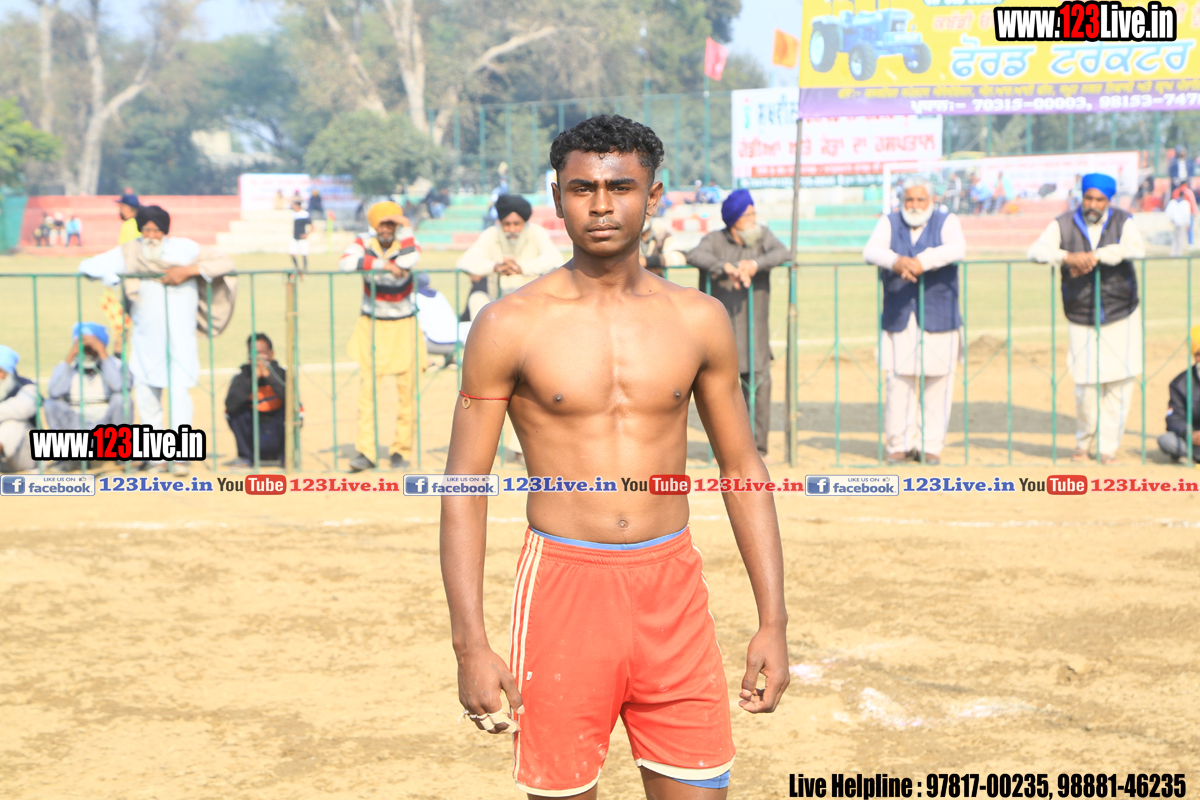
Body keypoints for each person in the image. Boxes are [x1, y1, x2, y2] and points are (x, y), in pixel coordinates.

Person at [441, 114, 788, 800]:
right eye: (582, 189)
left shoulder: (698, 319)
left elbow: (743, 468)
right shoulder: (508, 325)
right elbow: (463, 486)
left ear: (653, 195)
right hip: (563, 591)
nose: (601, 205)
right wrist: (469, 643)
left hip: (673, 589)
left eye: (621, 187)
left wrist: (773, 620)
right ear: (557, 196)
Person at [79, 204, 238, 476]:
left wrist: (188, 271)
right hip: (145, 341)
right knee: (146, 396)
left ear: (165, 231)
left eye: (156, 230)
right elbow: (88, 265)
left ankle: (179, 458)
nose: (151, 236)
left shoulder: (184, 250)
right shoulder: (130, 252)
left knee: (179, 396)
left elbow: (225, 263)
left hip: (181, 340)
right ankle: (157, 458)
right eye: (146, 230)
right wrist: (113, 277)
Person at [1027, 172, 1145, 464]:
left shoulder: (1123, 221)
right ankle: (1083, 444)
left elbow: (1137, 249)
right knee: (1086, 384)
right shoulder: (1063, 223)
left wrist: (1098, 255)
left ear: (1109, 201)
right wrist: (1067, 257)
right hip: (1080, 313)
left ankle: (1107, 449)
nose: (1093, 204)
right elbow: (1036, 251)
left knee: (1120, 381)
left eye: (1099, 200)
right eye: (1089, 198)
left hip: (1121, 311)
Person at [863, 179, 967, 465]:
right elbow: (870, 251)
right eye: (909, 200)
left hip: (940, 314)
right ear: (902, 201)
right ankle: (899, 445)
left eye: (921, 200)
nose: (915, 205)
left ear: (931, 201)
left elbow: (958, 249)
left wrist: (923, 262)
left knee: (938, 382)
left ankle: (930, 446)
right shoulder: (889, 222)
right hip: (899, 315)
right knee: (898, 381)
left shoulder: (947, 221)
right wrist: (897, 262)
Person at [686, 188, 791, 456]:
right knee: (723, 394)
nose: (754, 220)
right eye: (748, 216)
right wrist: (726, 267)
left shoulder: (762, 236)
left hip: (755, 332)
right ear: (733, 221)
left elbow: (783, 253)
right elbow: (695, 255)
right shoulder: (715, 240)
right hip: (723, 334)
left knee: (760, 387)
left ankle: (759, 450)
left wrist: (754, 264)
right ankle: (729, 452)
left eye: (754, 214)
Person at [338, 200, 425, 472]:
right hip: (372, 325)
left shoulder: (406, 242)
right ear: (374, 225)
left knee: (407, 393)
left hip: (404, 325)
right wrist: (383, 265)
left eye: (392, 223)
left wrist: (406, 227)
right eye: (382, 223)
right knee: (367, 394)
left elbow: (410, 259)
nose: (386, 228)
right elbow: (345, 263)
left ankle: (400, 451)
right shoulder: (363, 242)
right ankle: (366, 452)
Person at [457, 193, 563, 320]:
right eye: (506, 224)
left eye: (517, 224)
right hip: (497, 302)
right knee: (477, 297)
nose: (512, 229)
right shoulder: (492, 233)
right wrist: (496, 267)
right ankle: (484, 333)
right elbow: (464, 262)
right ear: (500, 222)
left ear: (524, 222)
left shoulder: (536, 232)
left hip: (530, 302)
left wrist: (520, 268)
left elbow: (555, 259)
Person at [44, 322, 129, 433]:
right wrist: (71, 355)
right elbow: (54, 392)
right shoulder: (67, 366)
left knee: (122, 399)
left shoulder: (114, 365)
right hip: (76, 424)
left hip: (107, 427)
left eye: (91, 349)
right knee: (51, 404)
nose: (87, 354)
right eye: (83, 349)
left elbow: (120, 387)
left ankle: (119, 442)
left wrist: (102, 352)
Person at [225, 333, 287, 467]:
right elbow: (231, 404)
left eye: (261, 354)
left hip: (277, 426)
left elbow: (292, 400)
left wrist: (269, 376)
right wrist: (252, 379)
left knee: (296, 410)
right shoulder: (243, 375)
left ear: (271, 354)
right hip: (253, 428)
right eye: (253, 354)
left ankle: (287, 457)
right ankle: (246, 457)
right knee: (231, 411)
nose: (258, 358)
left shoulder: (281, 373)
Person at [1158, 324, 1200, 463]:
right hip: (1195, 440)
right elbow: (1174, 418)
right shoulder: (1179, 384)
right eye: (1198, 354)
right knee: (1166, 440)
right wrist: (1189, 434)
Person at [0, 345, 38, 473]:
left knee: (14, 422)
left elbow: (23, 409)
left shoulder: (27, 387)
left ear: (9, 372)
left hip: (25, 455)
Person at [414, 273, 459, 369]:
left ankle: (428, 363)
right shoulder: (438, 294)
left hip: (434, 344)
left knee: (409, 329)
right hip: (456, 343)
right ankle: (451, 360)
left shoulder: (414, 297)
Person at [1166, 183, 1196, 257]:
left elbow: (1168, 212)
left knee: (1175, 238)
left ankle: (1173, 253)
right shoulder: (1185, 203)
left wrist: (1171, 219)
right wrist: (1188, 223)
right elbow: (1186, 214)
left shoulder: (1173, 202)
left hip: (1175, 222)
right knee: (1180, 238)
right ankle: (1178, 253)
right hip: (1182, 223)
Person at [289, 198, 312, 272]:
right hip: (295, 238)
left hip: (302, 238)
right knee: (292, 253)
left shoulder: (305, 214)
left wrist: (307, 234)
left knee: (304, 254)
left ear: (298, 205)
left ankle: (305, 270)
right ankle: (297, 268)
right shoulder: (294, 214)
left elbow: (312, 226)